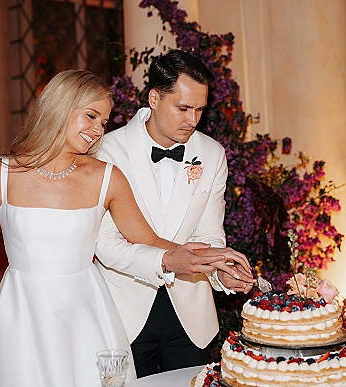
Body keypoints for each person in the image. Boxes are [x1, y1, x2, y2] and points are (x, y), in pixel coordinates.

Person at [0, 69, 251, 387]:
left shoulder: (106, 176)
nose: (98, 130)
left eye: (103, 122)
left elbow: (148, 239)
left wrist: (211, 260)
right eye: (91, 116)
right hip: (22, 311)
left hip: (86, 312)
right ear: (61, 108)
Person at [95, 49, 256, 377]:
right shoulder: (107, 151)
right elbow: (104, 243)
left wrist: (220, 273)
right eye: (182, 108)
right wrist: (166, 260)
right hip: (123, 312)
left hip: (190, 316)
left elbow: (210, 235)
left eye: (199, 109)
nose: (192, 120)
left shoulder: (212, 154)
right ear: (154, 98)